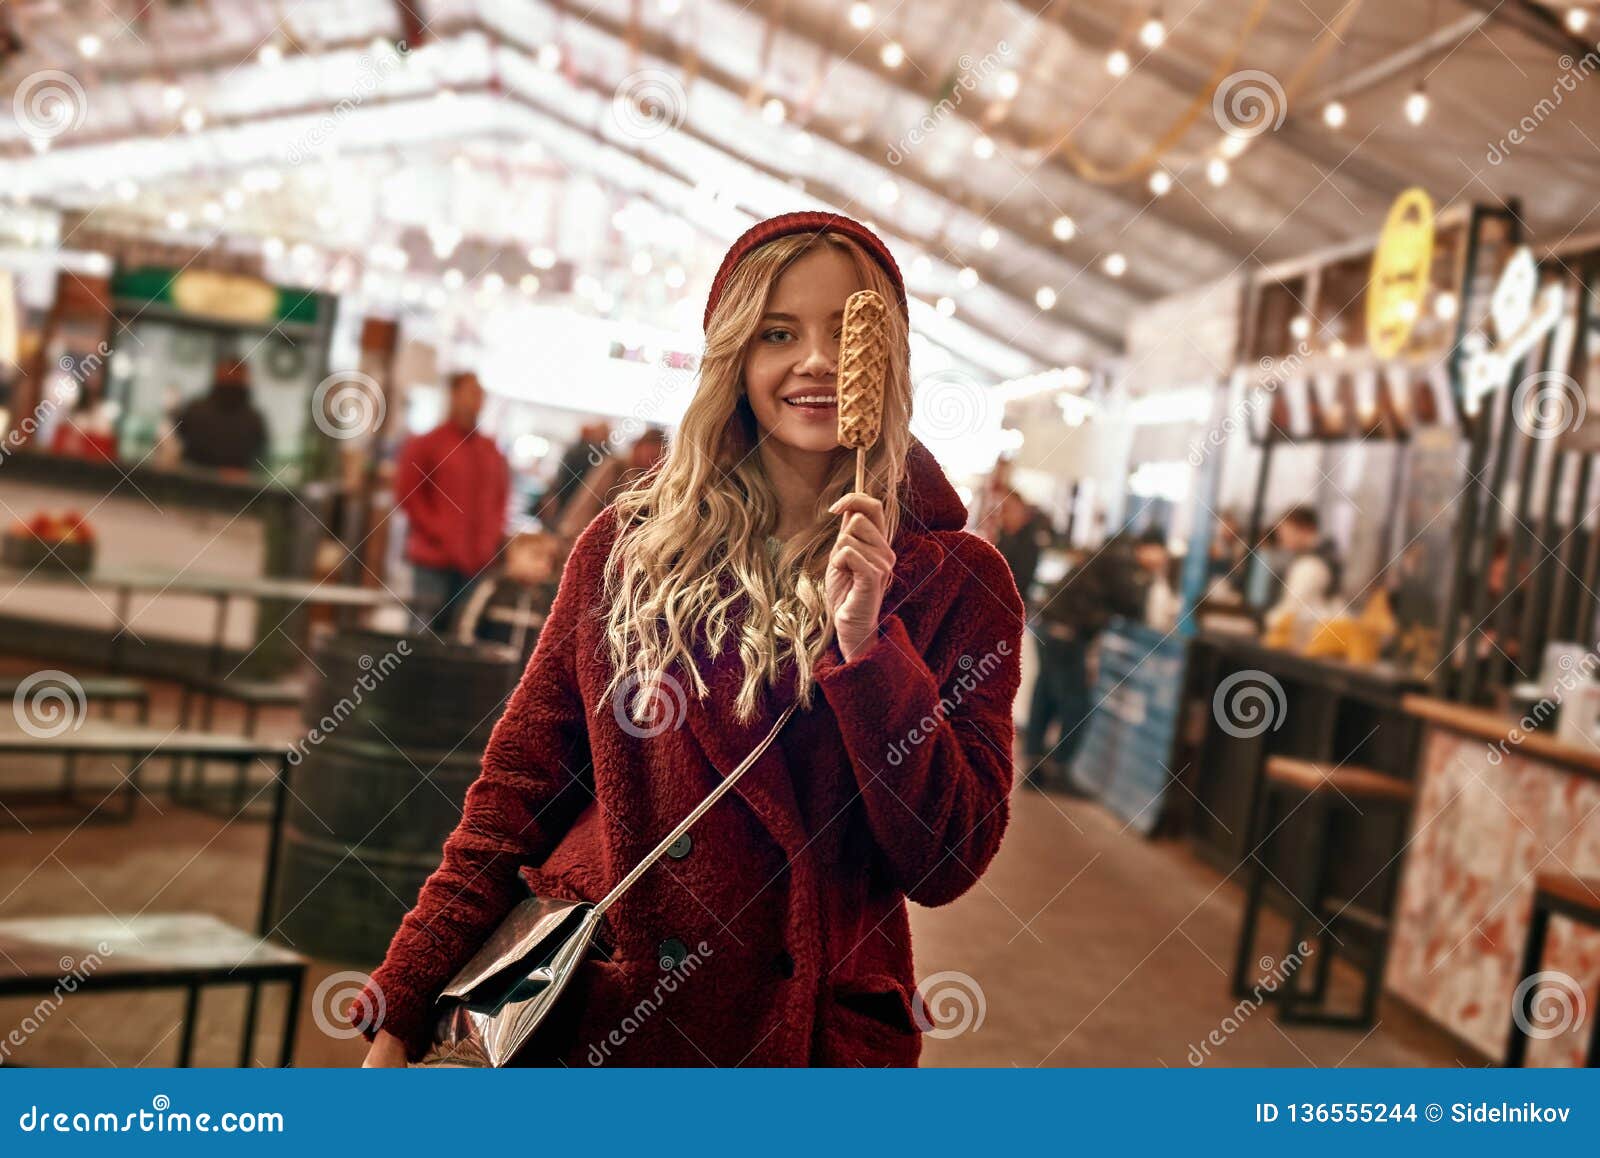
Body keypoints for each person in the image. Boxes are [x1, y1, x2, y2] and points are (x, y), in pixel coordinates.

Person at [354, 211, 1024, 1068]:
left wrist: (871, 652)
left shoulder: (957, 581)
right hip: (601, 1017)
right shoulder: (628, 549)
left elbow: (947, 860)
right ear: (734, 356)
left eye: (843, 332)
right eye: (779, 332)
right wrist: (405, 1001)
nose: (816, 361)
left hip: (804, 1042)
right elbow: (517, 792)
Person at [1023, 531, 1164, 787]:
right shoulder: (1123, 561)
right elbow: (1132, 605)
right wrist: (1148, 578)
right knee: (1075, 704)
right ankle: (1058, 770)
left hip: (1050, 625)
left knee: (1047, 695)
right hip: (1066, 632)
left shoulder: (1111, 552)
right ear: (1150, 547)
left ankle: (1035, 764)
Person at [394, 371, 510, 633]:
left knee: (462, 634)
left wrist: (491, 538)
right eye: (471, 393)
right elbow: (409, 495)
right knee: (421, 633)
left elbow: (500, 499)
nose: (476, 401)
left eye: (480, 395)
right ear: (454, 395)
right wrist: (440, 531)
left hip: (477, 562)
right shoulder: (427, 443)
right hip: (433, 559)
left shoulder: (490, 450)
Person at [172, 358, 267, 471]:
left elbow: (259, 452)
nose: (231, 377)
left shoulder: (253, 419)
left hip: (220, 482)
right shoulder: (196, 409)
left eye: (235, 373)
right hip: (197, 478)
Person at [544, 420, 611, 524]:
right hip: (575, 497)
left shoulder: (579, 451)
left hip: (570, 496)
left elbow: (562, 476)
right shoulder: (602, 454)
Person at [992, 491, 1049, 601]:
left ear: (1020, 510)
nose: (1001, 515)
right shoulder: (1005, 537)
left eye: (1005, 509)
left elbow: (1019, 583)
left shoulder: (1029, 543)